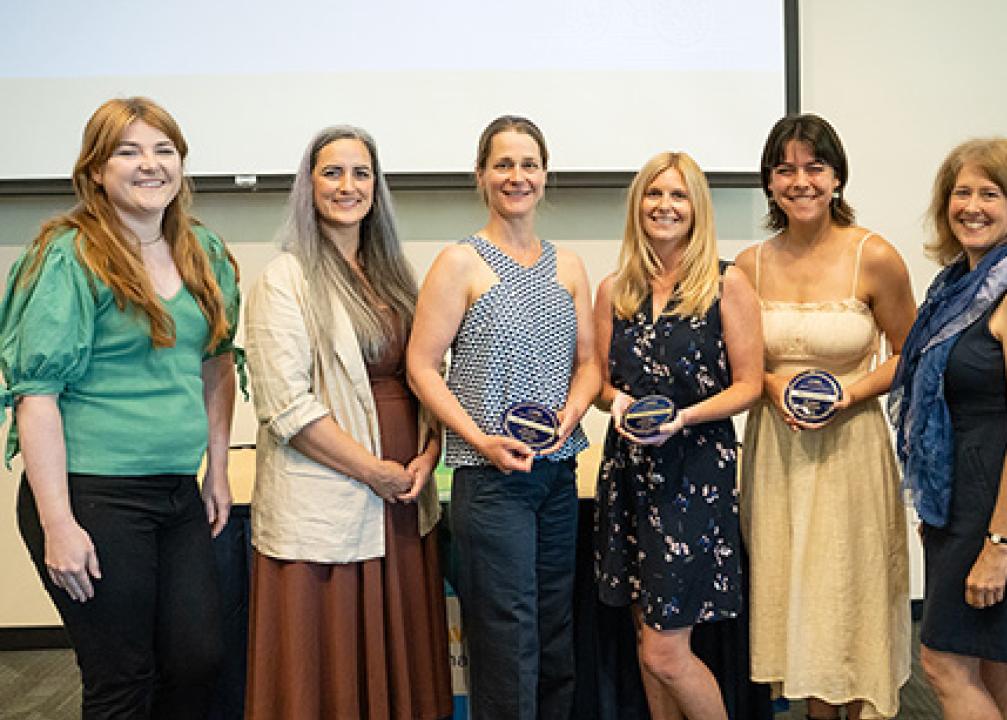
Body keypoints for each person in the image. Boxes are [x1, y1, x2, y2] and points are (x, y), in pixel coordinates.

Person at [0, 97, 240, 718]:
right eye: (128, 152)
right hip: (91, 495)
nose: (149, 165)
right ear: (96, 170)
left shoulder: (202, 252)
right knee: (122, 678)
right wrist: (58, 524)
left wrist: (216, 469)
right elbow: (37, 396)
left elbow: (217, 362)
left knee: (198, 660)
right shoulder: (69, 255)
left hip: (175, 494)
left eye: (164, 151)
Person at [242, 126, 452, 719]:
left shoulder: (395, 275)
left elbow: (428, 371)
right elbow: (286, 406)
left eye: (361, 173)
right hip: (334, 494)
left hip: (404, 496)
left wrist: (427, 454)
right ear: (307, 187)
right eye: (332, 172)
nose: (348, 186)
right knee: (328, 671)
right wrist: (374, 472)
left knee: (400, 661)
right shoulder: (285, 278)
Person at [406, 115, 600, 720]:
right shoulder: (459, 262)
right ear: (482, 175)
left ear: (546, 175)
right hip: (489, 482)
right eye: (504, 165)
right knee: (506, 640)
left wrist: (570, 414)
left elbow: (590, 364)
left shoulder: (568, 265)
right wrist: (479, 440)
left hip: (556, 477)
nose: (518, 177)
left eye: (529, 165)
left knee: (553, 633)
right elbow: (421, 366)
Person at [734, 114, 916, 719]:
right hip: (777, 453)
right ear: (768, 182)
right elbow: (738, 366)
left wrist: (854, 392)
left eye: (814, 167)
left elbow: (910, 353)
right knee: (798, 592)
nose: (801, 181)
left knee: (853, 585)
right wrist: (770, 384)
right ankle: (816, 708)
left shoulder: (875, 255)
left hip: (851, 446)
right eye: (785, 169)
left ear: (837, 176)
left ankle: (864, 705)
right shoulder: (747, 266)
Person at [889, 138, 1007, 720]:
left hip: (997, 502)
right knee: (990, 660)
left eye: (991, 193)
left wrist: (998, 545)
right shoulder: (955, 288)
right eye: (962, 192)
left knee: (943, 662)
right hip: (957, 495)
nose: (972, 205)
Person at [593, 152, 763, 720]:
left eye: (679, 196)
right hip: (629, 474)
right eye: (654, 194)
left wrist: (682, 419)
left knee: (668, 650)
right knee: (647, 641)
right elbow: (598, 382)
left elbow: (749, 386)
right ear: (637, 204)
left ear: (697, 209)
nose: (664, 206)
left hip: (695, 476)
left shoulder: (726, 284)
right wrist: (619, 404)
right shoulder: (615, 289)